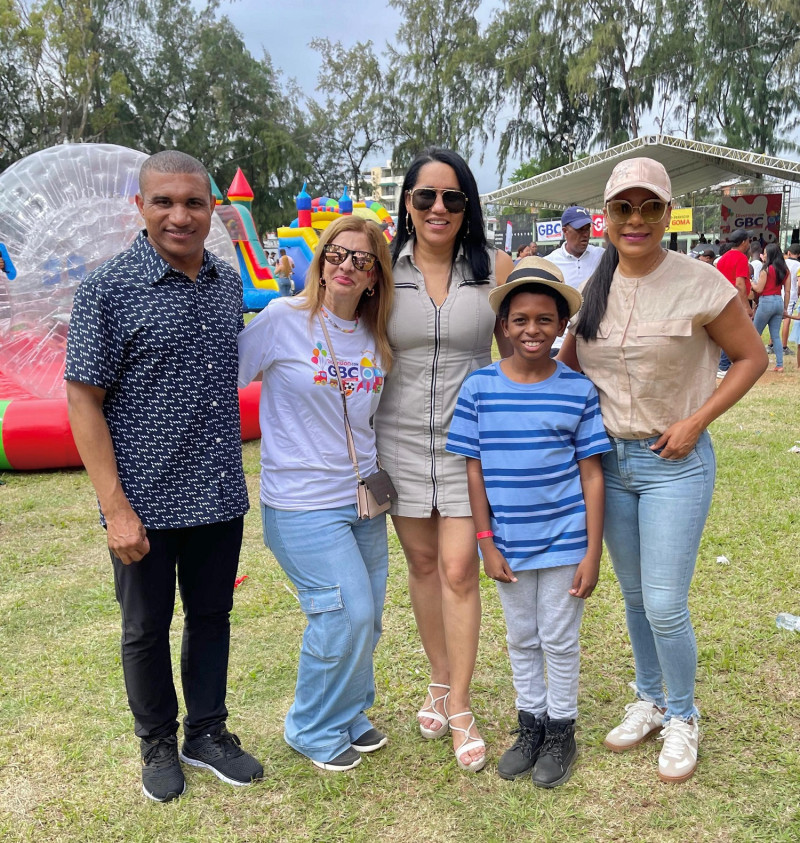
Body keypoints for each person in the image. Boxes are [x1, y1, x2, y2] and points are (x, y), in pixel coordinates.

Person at [559, 157, 767, 784]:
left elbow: (751, 358)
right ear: (608, 216)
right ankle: (648, 699)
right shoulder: (594, 284)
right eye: (624, 208)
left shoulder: (701, 282)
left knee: (666, 603)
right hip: (610, 465)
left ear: (667, 213)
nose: (637, 220)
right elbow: (565, 367)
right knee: (634, 597)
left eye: (650, 207)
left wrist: (697, 420)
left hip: (673, 462)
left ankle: (683, 715)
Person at [64, 150, 263, 803]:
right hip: (142, 502)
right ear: (141, 207)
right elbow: (83, 398)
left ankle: (206, 731)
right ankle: (157, 742)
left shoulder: (227, 282)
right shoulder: (108, 289)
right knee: (145, 627)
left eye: (194, 202)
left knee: (212, 615)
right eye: (165, 202)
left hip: (217, 492)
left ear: (212, 209)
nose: (180, 215)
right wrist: (114, 506)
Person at [373, 148, 514, 773]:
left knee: (460, 569)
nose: (437, 208)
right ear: (407, 203)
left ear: (467, 207)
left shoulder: (497, 268)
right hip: (396, 439)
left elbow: (525, 349)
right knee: (424, 563)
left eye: (451, 198)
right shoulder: (380, 268)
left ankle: (459, 704)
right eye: (425, 196)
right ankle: (437, 677)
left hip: (468, 443)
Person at [238, 215, 394, 773]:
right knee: (342, 613)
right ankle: (310, 725)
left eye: (361, 259)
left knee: (368, 615)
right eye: (336, 254)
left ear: (376, 276)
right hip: (301, 502)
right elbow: (225, 374)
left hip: (364, 498)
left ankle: (348, 710)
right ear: (320, 262)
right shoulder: (283, 319)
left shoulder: (377, 335)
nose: (346, 265)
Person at [446, 258, 610, 788]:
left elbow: (591, 477)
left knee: (558, 639)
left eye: (544, 319)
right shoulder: (479, 389)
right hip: (508, 543)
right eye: (520, 319)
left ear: (561, 325)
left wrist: (591, 551)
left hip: (565, 541)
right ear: (504, 326)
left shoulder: (578, 391)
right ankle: (530, 725)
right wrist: (485, 542)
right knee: (522, 636)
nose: (532, 329)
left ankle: (562, 731)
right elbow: (474, 473)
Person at [545, 206, 604, 355]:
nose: (585, 234)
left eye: (587, 229)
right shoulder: (549, 263)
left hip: (596, 342)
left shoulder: (603, 257)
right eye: (579, 230)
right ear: (565, 231)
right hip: (559, 344)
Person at [715, 229, 754, 377]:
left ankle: (725, 363)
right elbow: (740, 284)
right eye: (748, 240)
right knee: (734, 333)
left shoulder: (723, 258)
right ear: (744, 242)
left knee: (728, 332)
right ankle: (724, 365)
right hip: (735, 300)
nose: (749, 243)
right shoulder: (741, 258)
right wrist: (746, 306)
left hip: (723, 299)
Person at [752, 243, 791, 372]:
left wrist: (751, 282)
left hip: (766, 301)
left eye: (765, 253)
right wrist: (785, 308)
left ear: (769, 255)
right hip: (778, 301)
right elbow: (787, 292)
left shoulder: (766, 269)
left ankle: (754, 362)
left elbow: (759, 288)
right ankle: (779, 364)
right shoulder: (785, 270)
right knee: (775, 336)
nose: (764, 255)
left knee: (755, 333)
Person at [779, 243, 800, 353]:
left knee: (777, 317)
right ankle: (784, 346)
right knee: (787, 317)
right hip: (791, 293)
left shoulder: (783, 262)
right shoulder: (799, 266)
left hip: (780, 291)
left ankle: (772, 344)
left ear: (788, 253)